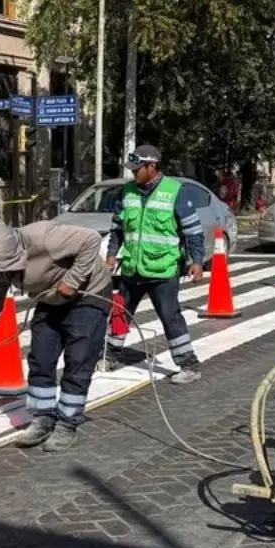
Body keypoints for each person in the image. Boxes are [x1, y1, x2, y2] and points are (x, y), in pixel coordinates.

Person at [0, 221, 113, 452]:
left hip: (88, 295)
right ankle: (43, 417)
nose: (2, 277)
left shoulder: (45, 238)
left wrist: (72, 280)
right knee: (41, 358)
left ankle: (67, 423)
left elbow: (91, 239)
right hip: (50, 298)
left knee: (78, 360)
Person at [105, 145, 206, 384]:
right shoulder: (127, 192)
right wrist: (112, 254)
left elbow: (193, 231)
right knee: (120, 313)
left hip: (163, 269)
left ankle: (188, 364)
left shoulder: (175, 192)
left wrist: (197, 261)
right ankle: (109, 355)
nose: (133, 174)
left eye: (137, 169)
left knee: (171, 317)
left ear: (152, 167)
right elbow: (118, 228)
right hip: (132, 267)